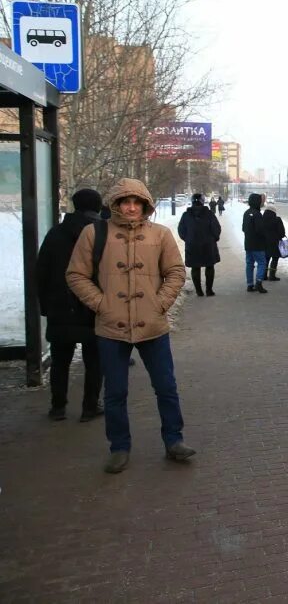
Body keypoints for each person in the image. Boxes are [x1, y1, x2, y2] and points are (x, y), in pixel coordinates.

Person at [66, 177, 193, 474]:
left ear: (146, 204)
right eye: (125, 201)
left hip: (152, 325)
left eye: (137, 202)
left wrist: (159, 303)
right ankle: (119, 447)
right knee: (115, 392)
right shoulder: (93, 233)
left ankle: (174, 441)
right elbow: (76, 275)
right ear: (116, 204)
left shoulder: (160, 235)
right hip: (112, 327)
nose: (132, 207)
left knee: (166, 387)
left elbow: (175, 272)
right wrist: (102, 304)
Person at [36, 188, 104, 422]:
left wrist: (46, 306)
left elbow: (41, 273)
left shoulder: (55, 234)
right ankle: (89, 406)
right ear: (97, 207)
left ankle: (58, 407)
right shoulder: (101, 234)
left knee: (60, 361)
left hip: (60, 307)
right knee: (94, 361)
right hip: (92, 308)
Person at [177, 193, 221, 297]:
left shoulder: (186, 215)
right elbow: (216, 228)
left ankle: (199, 291)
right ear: (202, 201)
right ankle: (209, 290)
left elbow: (181, 230)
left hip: (192, 245)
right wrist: (214, 238)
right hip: (208, 245)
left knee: (195, 267)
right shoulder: (209, 214)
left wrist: (188, 239)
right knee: (209, 266)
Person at [242, 193, 268, 293]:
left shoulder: (246, 213)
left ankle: (249, 285)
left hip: (248, 243)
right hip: (258, 244)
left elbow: (243, 228)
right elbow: (260, 230)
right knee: (262, 263)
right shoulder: (257, 214)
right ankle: (259, 283)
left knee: (249, 264)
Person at [261, 206, 286, 282]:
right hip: (275, 243)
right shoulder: (277, 220)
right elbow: (282, 233)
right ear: (274, 212)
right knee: (275, 259)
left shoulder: (261, 220)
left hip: (264, 243)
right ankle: (272, 276)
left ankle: (264, 275)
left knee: (265, 259)